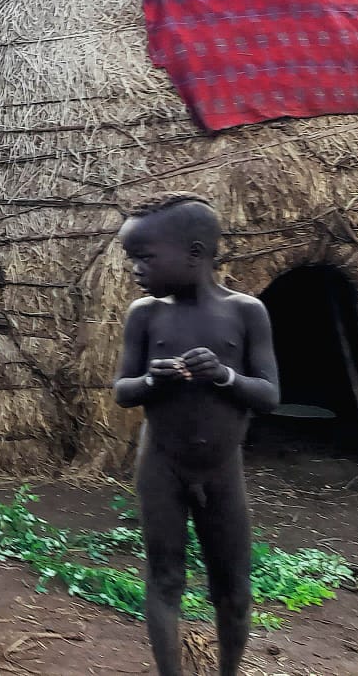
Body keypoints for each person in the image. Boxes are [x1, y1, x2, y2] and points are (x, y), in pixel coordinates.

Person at [112, 192, 279, 676]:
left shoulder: (247, 312)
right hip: (161, 465)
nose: (135, 268)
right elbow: (123, 390)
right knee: (164, 577)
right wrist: (151, 380)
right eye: (131, 257)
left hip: (223, 470)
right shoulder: (145, 314)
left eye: (144, 256)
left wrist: (224, 375)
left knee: (234, 587)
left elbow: (269, 395)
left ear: (195, 252)